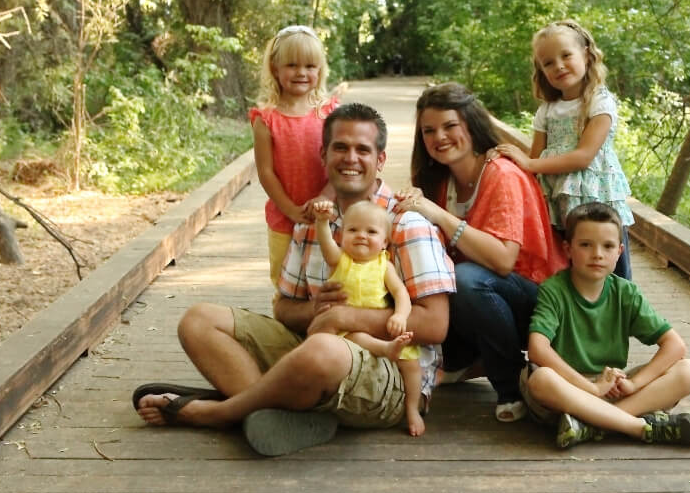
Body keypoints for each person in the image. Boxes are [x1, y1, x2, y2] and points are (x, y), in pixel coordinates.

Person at [133, 103, 454, 456]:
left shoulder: (406, 223)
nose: (351, 158)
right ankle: (269, 410)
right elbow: (284, 308)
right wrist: (316, 308)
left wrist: (344, 317)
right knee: (198, 321)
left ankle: (223, 412)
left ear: (380, 160)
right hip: (317, 351)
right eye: (340, 147)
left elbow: (436, 324)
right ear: (324, 155)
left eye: (363, 149)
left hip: (390, 376)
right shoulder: (310, 224)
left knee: (322, 348)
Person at [395, 82, 567, 423]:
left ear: (471, 126)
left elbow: (504, 260)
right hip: (480, 305)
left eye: (449, 126)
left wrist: (439, 215)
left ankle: (511, 386)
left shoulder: (502, 174)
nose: (438, 137)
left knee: (467, 278)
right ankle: (461, 361)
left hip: (535, 298)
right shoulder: (439, 181)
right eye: (429, 130)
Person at [520, 202, 690, 448]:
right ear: (568, 249)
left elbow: (674, 345)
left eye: (607, 246)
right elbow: (537, 349)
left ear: (619, 252)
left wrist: (633, 384)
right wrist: (591, 389)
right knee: (540, 379)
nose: (597, 254)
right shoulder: (554, 291)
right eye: (586, 245)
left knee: (689, 371)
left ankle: (590, 425)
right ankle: (638, 426)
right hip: (569, 389)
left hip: (612, 389)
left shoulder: (625, 292)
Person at [495, 19, 635, 280]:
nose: (558, 65)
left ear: (586, 54)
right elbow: (534, 159)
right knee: (568, 267)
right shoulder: (547, 111)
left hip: (597, 203)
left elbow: (583, 157)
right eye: (548, 62)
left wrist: (528, 163)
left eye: (566, 55)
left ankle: (623, 315)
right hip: (558, 204)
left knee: (612, 272)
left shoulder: (599, 101)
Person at [311, 199, 424, 436]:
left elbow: (401, 293)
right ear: (342, 237)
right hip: (348, 333)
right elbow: (326, 244)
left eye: (371, 231)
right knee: (356, 336)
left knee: (412, 365)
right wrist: (322, 222)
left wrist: (401, 315)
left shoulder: (385, 266)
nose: (361, 236)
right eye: (353, 230)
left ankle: (412, 409)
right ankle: (385, 349)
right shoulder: (341, 260)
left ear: (384, 242)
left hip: (381, 329)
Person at [249, 24, 339, 287]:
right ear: (275, 68)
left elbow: (342, 164)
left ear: (320, 70)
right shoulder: (266, 119)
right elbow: (266, 172)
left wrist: (326, 196)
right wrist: (290, 210)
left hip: (329, 214)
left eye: (310, 66)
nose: (301, 73)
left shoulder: (330, 113)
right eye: (292, 65)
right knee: (285, 280)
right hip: (284, 220)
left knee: (330, 276)